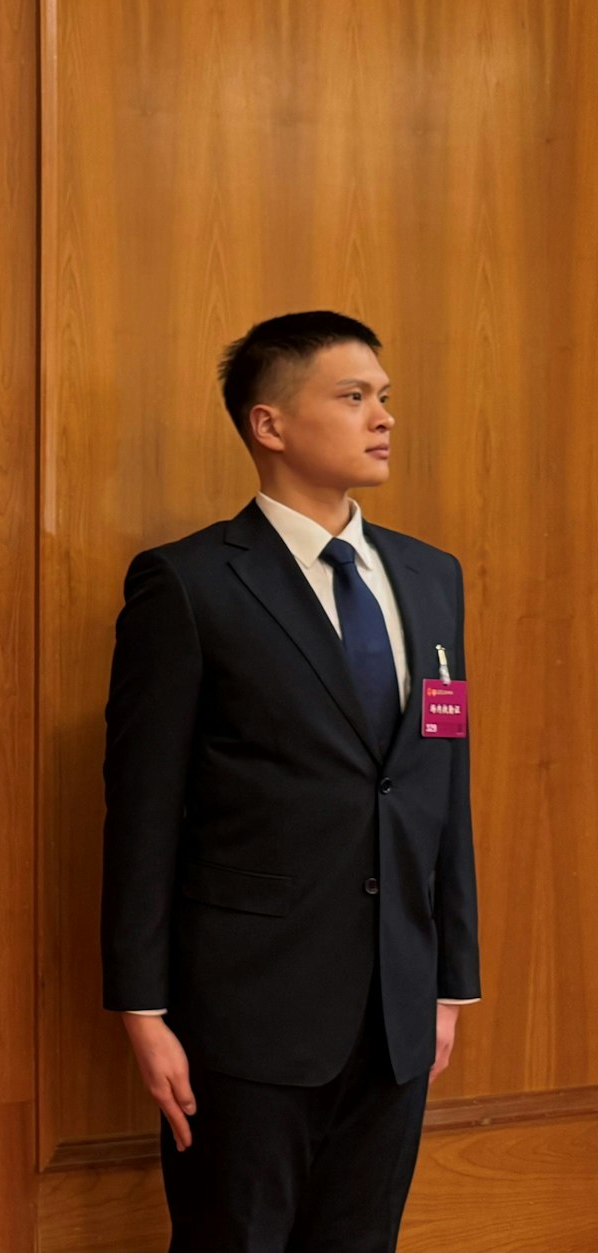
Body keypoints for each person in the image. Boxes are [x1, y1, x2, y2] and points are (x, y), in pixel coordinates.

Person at [102, 313, 479, 1253]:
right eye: (352, 397)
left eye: (384, 397)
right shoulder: (188, 584)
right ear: (270, 425)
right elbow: (142, 812)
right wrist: (141, 1010)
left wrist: (450, 980)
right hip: (246, 1016)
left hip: (394, 1010)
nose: (381, 417)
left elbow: (441, 784)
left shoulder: (432, 579)